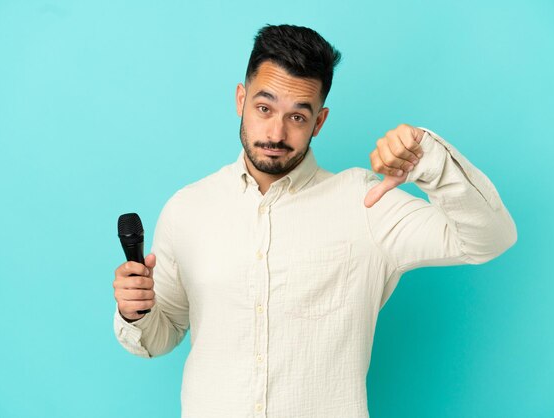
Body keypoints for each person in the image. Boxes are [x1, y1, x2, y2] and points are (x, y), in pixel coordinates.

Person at [112, 24, 517, 418]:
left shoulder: (365, 203)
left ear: (319, 121)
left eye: (297, 117)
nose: (275, 132)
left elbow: (490, 239)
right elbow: (160, 336)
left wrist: (427, 158)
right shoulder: (188, 209)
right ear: (241, 99)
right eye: (264, 108)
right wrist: (136, 313)